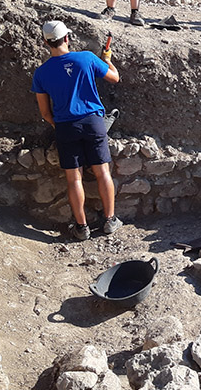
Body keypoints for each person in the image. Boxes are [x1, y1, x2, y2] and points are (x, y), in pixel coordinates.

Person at [31, 21, 122, 240]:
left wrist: (60, 126)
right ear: (67, 38)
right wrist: (108, 60)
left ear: (46, 42)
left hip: (65, 126)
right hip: (93, 122)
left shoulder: (41, 73)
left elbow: (45, 112)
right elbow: (114, 78)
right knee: (103, 172)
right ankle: (110, 220)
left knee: (74, 179)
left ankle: (81, 228)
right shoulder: (87, 58)